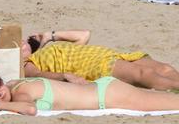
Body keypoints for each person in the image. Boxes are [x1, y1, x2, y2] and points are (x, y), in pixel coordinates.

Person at [0, 65, 179, 115]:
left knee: (172, 104)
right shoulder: (13, 83)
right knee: (163, 99)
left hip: (109, 95)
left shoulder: (21, 92)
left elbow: (30, 109)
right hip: (105, 91)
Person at [21, 30, 179, 90]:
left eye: (20, 41)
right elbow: (38, 75)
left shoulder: (44, 51)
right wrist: (65, 76)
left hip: (109, 55)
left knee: (165, 69)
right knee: (143, 74)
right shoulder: (26, 65)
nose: (21, 43)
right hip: (93, 66)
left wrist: (50, 35)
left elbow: (84, 35)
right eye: (15, 46)